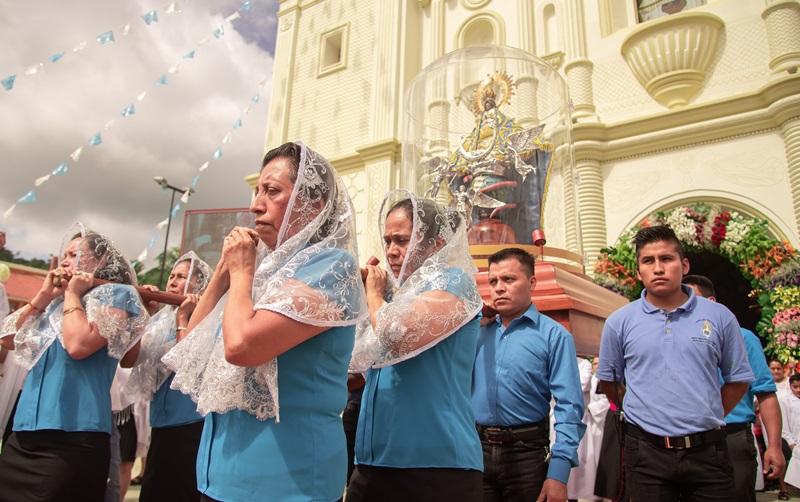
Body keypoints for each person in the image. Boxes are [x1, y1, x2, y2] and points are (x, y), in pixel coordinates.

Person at [163, 142, 366, 501]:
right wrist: (223, 272)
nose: (256, 205)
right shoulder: (262, 273)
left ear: (313, 204)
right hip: (219, 478)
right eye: (257, 191)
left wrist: (242, 272)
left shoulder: (332, 266)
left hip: (287, 482)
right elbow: (189, 350)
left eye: (272, 191)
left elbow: (242, 346)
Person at [598, 225, 754, 502]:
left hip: (709, 451)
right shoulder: (619, 322)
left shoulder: (719, 316)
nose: (658, 268)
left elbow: (738, 379)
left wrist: (705, 412)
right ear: (638, 271)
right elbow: (611, 383)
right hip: (645, 453)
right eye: (648, 261)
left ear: (684, 265)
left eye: (666, 259)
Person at [347, 191, 484, 501]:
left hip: (435, 465)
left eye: (402, 240)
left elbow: (396, 334)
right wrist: (360, 294)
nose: (391, 251)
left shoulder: (453, 283)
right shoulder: (394, 295)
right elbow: (355, 360)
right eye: (387, 241)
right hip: (373, 461)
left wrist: (373, 295)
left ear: (436, 244)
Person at [0, 224, 148, 501]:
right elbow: (7, 338)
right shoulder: (53, 303)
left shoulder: (117, 295)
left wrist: (72, 294)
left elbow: (79, 345)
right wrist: (44, 295)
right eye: (64, 255)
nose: (64, 261)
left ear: (100, 261)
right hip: (23, 434)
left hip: (74, 436)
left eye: (73, 254)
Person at [472, 247, 585, 502]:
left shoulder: (554, 336)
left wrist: (558, 473)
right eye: (493, 281)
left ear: (532, 282)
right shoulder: (476, 332)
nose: (499, 288)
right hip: (476, 452)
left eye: (508, 279)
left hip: (527, 455)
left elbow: (569, 407)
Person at [682, 274, 785, 501]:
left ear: (711, 302)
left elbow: (765, 393)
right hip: (689, 439)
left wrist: (774, 446)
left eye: (692, 300)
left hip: (732, 436)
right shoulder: (675, 340)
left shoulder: (743, 338)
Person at [124, 252, 211, 502]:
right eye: (171, 276)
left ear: (199, 285)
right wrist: (144, 313)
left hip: (191, 424)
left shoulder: (206, 317)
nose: (172, 281)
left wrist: (183, 318)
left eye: (181, 277)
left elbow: (186, 363)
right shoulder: (160, 321)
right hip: (161, 425)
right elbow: (128, 360)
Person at [780, 374, 800, 498]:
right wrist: (791, 442)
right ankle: (783, 489)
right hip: (789, 439)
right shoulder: (784, 400)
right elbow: (784, 425)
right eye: (795, 387)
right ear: (790, 386)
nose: (798, 390)